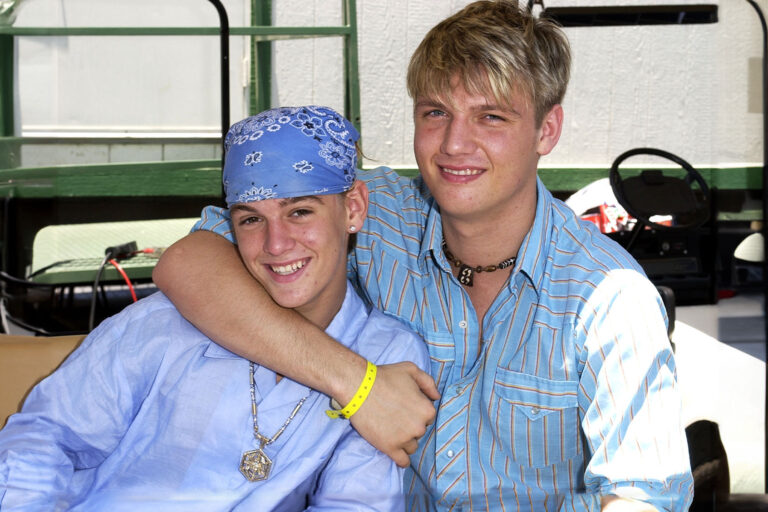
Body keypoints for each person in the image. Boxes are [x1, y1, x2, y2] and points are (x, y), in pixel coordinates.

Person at [154, 2, 694, 510]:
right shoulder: (374, 215)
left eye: (491, 117)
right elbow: (187, 261)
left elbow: (642, 496)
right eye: (436, 112)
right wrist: (358, 385)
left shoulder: (608, 297)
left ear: (546, 130)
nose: (454, 144)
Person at [0, 106, 429, 511]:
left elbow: (353, 503)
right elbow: (46, 435)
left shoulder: (387, 353)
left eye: (300, 212)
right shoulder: (163, 322)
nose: (276, 245)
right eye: (251, 219)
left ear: (353, 208)